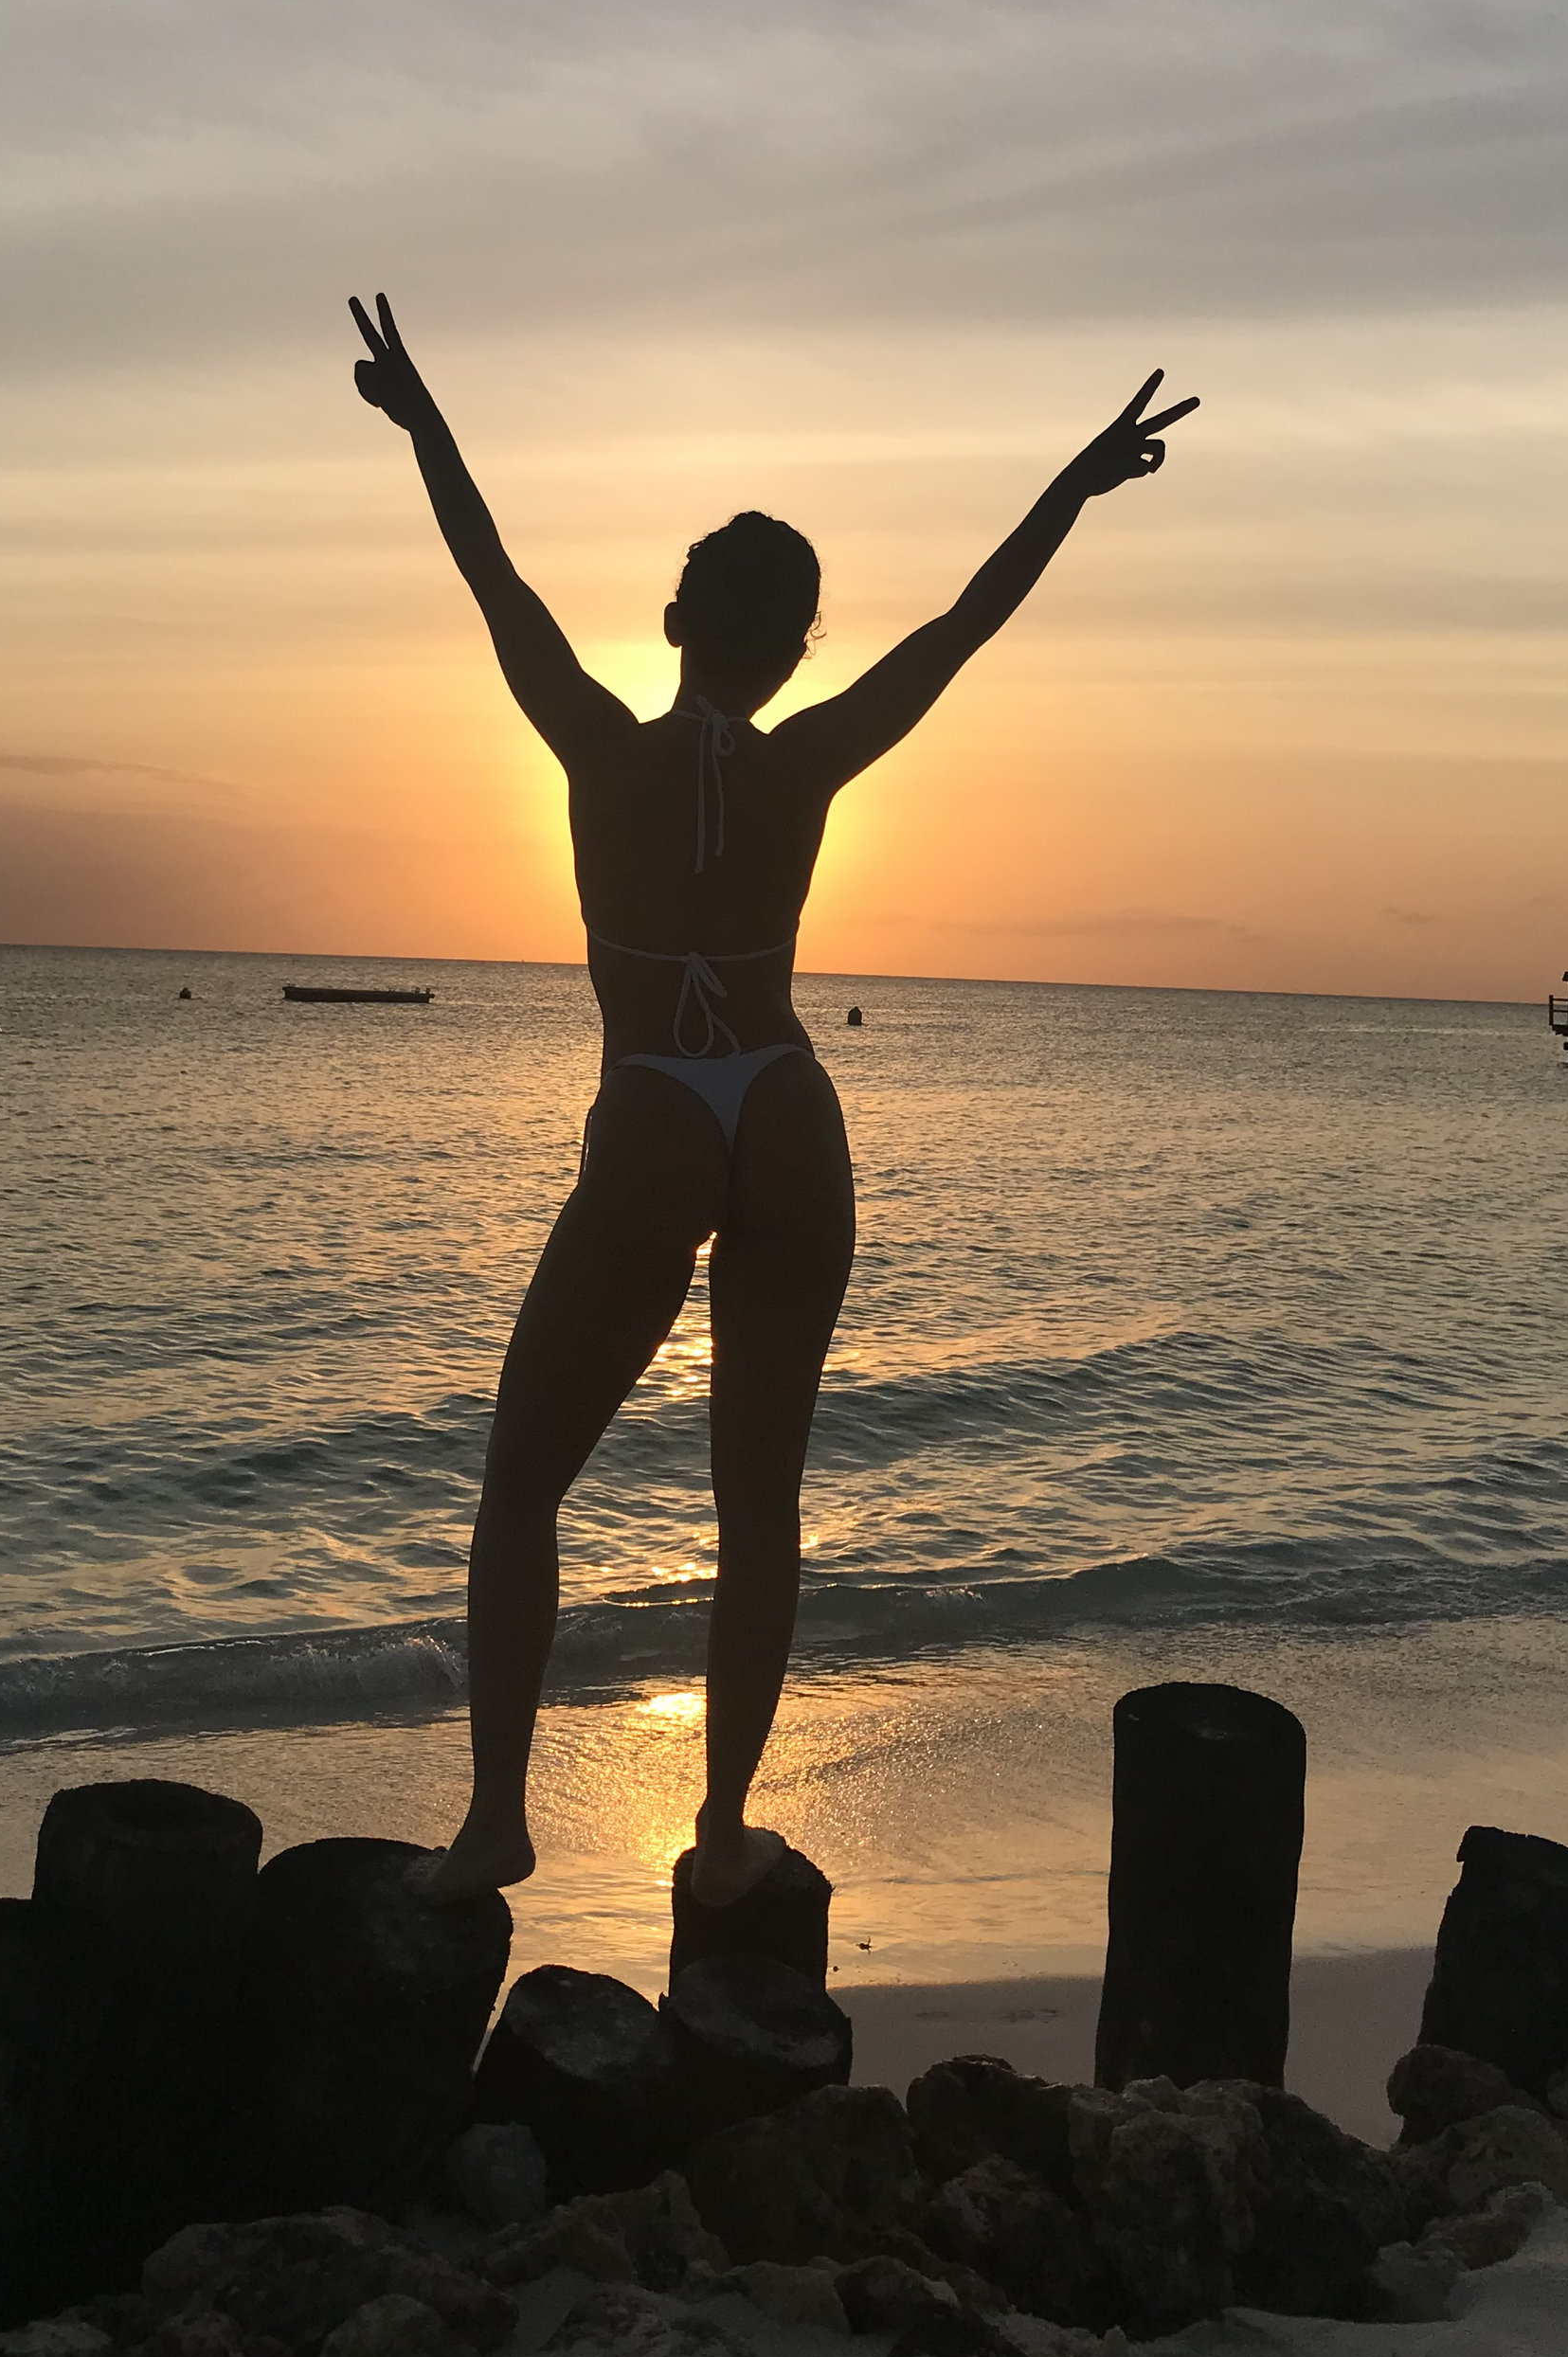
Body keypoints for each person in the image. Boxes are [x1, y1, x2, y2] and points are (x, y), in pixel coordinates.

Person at [349, 293, 1198, 1904]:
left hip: (658, 1106)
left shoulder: (602, 750)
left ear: (675, 621)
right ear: (796, 644)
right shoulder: (809, 757)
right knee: (759, 1507)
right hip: (790, 1105)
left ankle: (494, 1823)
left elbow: (493, 575)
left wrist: (430, 425)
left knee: (523, 1484)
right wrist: (1074, 486)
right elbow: (963, 627)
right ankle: (723, 1826)